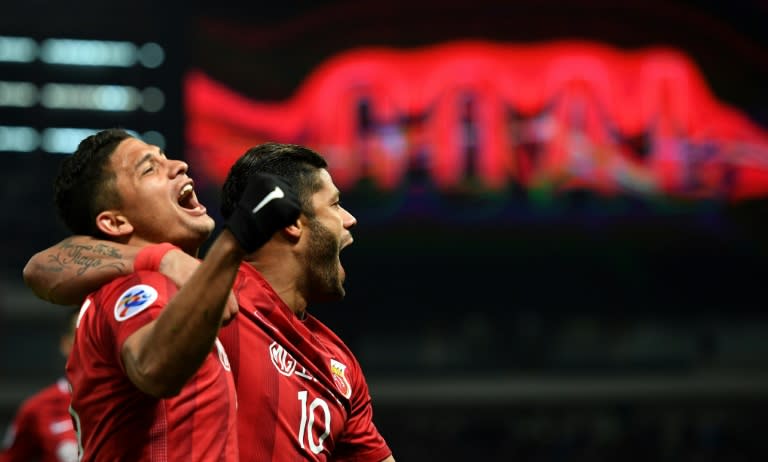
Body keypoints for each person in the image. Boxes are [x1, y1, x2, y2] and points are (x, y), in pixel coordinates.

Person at [24, 142, 395, 461]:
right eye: (336, 204)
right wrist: (170, 257)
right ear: (292, 221)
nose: (350, 220)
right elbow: (41, 267)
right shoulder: (188, 294)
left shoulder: (339, 365)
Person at [32, 128, 301, 460]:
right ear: (115, 223)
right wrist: (235, 239)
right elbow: (152, 366)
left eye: (165, 157)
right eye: (149, 168)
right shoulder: (139, 286)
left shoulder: (176, 284)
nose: (179, 165)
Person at [0, 310, 78, 462]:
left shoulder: (129, 398)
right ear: (65, 344)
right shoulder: (38, 408)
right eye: (81, 338)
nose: (91, 346)